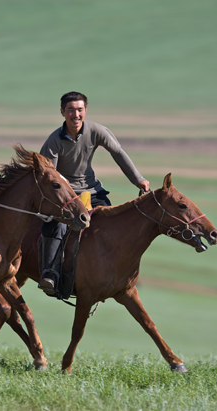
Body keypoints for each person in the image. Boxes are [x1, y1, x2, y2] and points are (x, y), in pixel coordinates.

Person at [37, 91, 150, 293]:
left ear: (86, 111)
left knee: (114, 224)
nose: (76, 114)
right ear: (62, 112)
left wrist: (138, 179)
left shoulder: (97, 131)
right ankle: (50, 273)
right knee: (56, 225)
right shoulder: (54, 140)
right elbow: (50, 176)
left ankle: (115, 271)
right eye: (71, 110)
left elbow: (118, 153)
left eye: (80, 110)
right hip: (66, 195)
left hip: (91, 191)